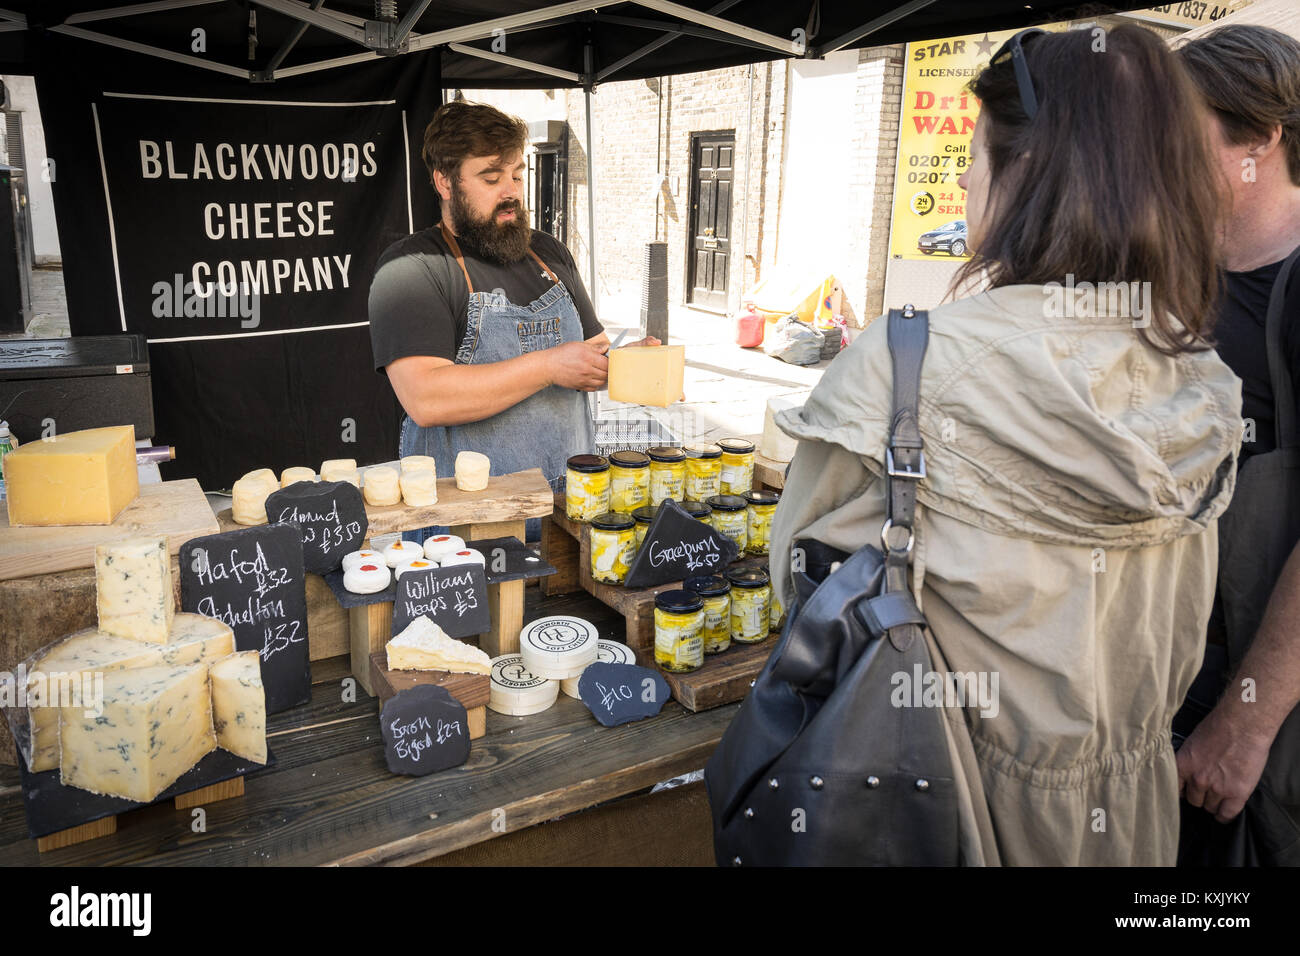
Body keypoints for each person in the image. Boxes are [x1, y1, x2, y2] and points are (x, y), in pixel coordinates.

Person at [768, 25, 1242, 865]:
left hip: (944, 800)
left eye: (977, 150)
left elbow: (797, 582)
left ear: (1029, 172)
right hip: (1133, 811)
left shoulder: (907, 361)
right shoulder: (1201, 379)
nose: (960, 173)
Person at [368, 101, 656, 539]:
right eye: (491, 177)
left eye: (517, 175)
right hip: (467, 525)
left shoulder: (550, 252)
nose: (512, 191)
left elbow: (590, 353)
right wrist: (549, 366)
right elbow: (426, 398)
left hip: (568, 509)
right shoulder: (413, 268)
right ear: (444, 181)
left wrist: (622, 365)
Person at [1174, 24, 1300, 864]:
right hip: (1164, 693)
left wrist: (1245, 722)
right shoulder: (1180, 282)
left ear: (1262, 137)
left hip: (1249, 715)